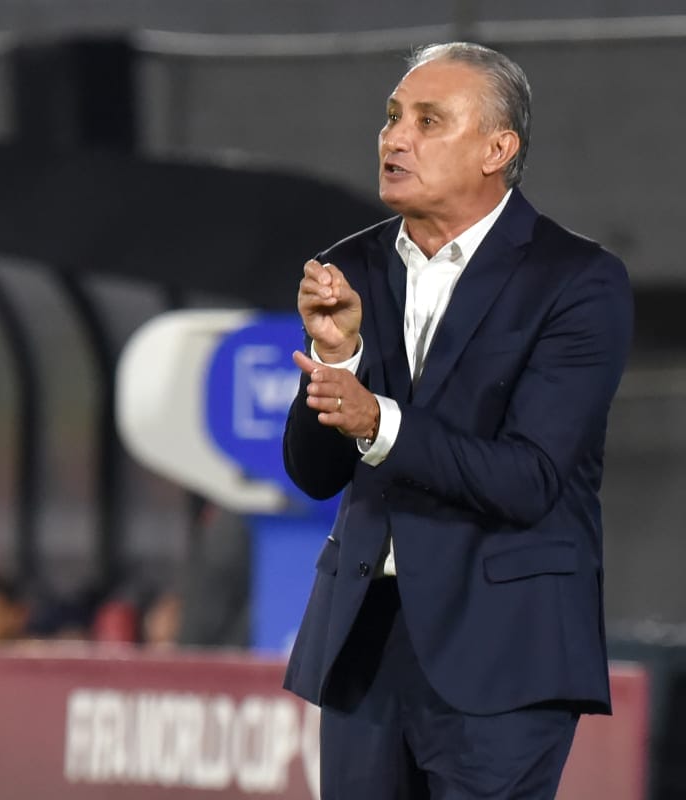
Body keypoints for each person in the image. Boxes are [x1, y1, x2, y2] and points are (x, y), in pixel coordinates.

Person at [282, 42, 633, 799]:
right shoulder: (350, 267)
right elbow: (313, 475)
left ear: (496, 150)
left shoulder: (577, 281)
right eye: (392, 118)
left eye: (428, 120)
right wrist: (338, 359)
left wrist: (380, 423)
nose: (395, 138)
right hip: (364, 647)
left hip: (505, 649)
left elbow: (531, 477)